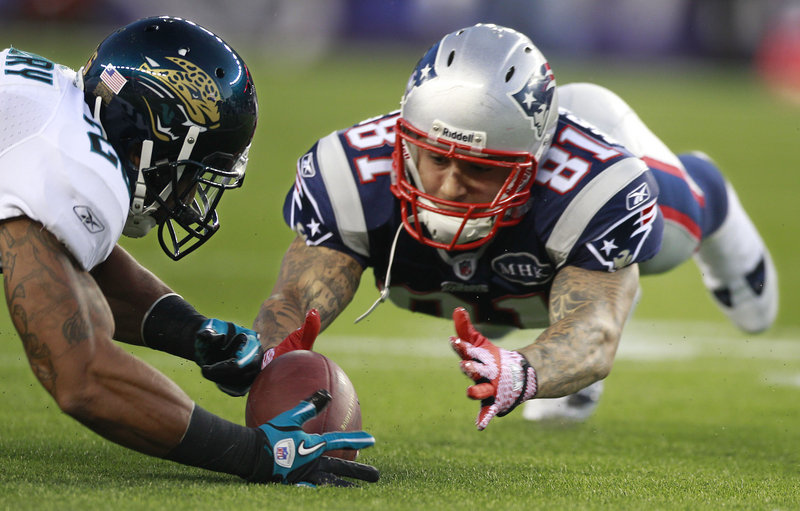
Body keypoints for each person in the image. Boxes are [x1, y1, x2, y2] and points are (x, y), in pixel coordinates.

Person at [253, 23, 779, 430]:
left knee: (671, 242)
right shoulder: (350, 172)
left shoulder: (595, 184)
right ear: (405, 137)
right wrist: (268, 356)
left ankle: (709, 195)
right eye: (436, 158)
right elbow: (295, 297)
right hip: (482, 273)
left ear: (536, 157)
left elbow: (593, 335)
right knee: (468, 311)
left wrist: (522, 373)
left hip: (574, 208)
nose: (451, 186)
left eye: (481, 167)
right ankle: (551, 297)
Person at [0, 15, 378, 485]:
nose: (191, 194)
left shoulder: (60, 103)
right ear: (154, 137)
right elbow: (81, 376)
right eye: (197, 170)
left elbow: (66, 257)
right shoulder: (75, 171)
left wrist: (192, 331)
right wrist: (257, 454)